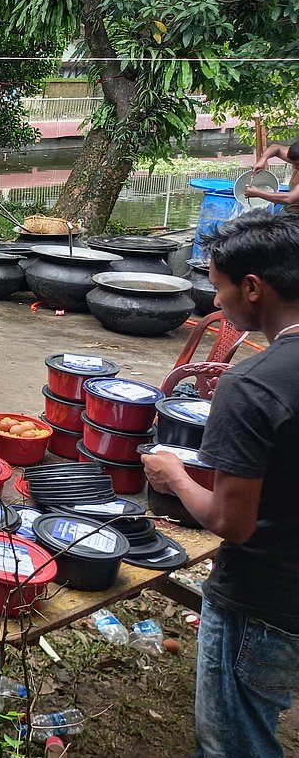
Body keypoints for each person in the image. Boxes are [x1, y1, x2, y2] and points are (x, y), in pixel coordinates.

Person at [141, 211, 299, 758]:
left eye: (218, 288)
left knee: (236, 743)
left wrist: (174, 476)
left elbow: (231, 522)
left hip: (265, 598)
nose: (214, 305)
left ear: (253, 288)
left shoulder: (254, 385)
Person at [247, 140, 299, 214]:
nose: (294, 166)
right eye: (292, 163)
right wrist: (262, 160)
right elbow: (275, 148)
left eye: (297, 164)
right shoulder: (297, 158)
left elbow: (289, 198)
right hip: (287, 209)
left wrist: (258, 193)